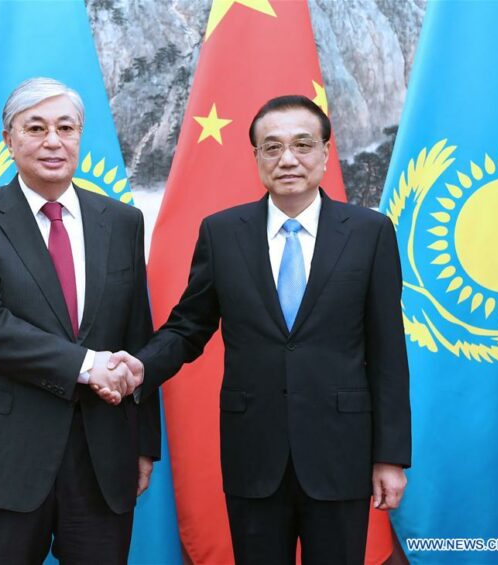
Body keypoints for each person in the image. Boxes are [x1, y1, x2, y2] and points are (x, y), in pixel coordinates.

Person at [109, 95, 411, 564]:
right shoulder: (223, 232)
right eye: (271, 148)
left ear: (326, 152)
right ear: (256, 158)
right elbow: (189, 327)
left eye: (302, 145)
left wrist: (390, 457)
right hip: (254, 450)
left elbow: (389, 352)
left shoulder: (370, 232)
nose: (287, 159)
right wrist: (141, 366)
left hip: (340, 452)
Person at [0, 77, 159, 565]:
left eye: (65, 127)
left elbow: (136, 335)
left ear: (80, 136)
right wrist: (85, 364)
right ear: (8, 140)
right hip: (4, 455)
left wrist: (144, 444)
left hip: (103, 456)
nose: (53, 141)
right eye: (35, 128)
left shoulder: (122, 221)